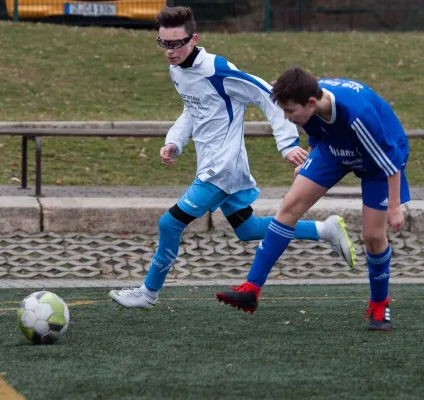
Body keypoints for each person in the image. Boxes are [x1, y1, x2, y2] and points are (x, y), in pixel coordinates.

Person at [109, 7, 355, 310]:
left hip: (220, 171)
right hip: (221, 167)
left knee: (168, 224)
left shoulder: (217, 70)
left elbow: (267, 93)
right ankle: (325, 229)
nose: (170, 51)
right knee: (248, 229)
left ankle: (148, 293)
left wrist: (287, 143)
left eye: (176, 43)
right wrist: (175, 140)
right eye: (164, 44)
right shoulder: (178, 70)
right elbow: (192, 109)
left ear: (194, 38)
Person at [217, 66, 410, 332]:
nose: (286, 117)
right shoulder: (309, 102)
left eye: (289, 112)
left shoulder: (357, 116)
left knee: (373, 235)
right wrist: (309, 161)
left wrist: (396, 206)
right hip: (333, 148)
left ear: (310, 102)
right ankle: (251, 289)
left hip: (379, 160)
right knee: (290, 205)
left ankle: (380, 305)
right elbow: (317, 132)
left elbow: (391, 161)